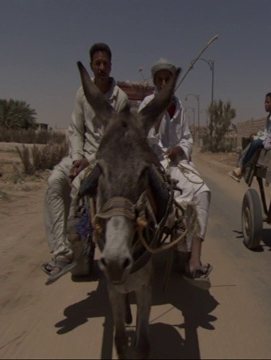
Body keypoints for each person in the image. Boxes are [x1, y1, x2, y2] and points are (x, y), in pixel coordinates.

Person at [41, 43, 129, 285]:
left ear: (111, 65)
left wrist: (87, 161)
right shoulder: (82, 93)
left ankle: (76, 242)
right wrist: (77, 157)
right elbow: (76, 129)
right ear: (91, 65)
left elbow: (115, 140)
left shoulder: (119, 99)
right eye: (97, 63)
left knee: (78, 185)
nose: (101, 67)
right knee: (55, 181)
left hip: (104, 159)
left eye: (105, 63)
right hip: (80, 155)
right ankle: (62, 252)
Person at [139, 58, 213, 290]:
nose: (163, 83)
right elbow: (143, 138)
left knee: (202, 191)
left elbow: (187, 138)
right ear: (154, 82)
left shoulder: (179, 106)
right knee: (167, 198)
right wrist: (157, 115)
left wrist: (179, 149)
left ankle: (194, 260)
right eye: (159, 79)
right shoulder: (148, 104)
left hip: (179, 163)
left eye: (167, 79)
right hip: (155, 162)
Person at [229, 92, 271, 182]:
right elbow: (266, 131)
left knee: (255, 143)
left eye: (267, 102)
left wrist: (257, 138)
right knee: (247, 141)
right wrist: (256, 134)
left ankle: (241, 168)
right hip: (267, 139)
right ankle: (240, 167)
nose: (265, 104)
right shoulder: (269, 116)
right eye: (265, 102)